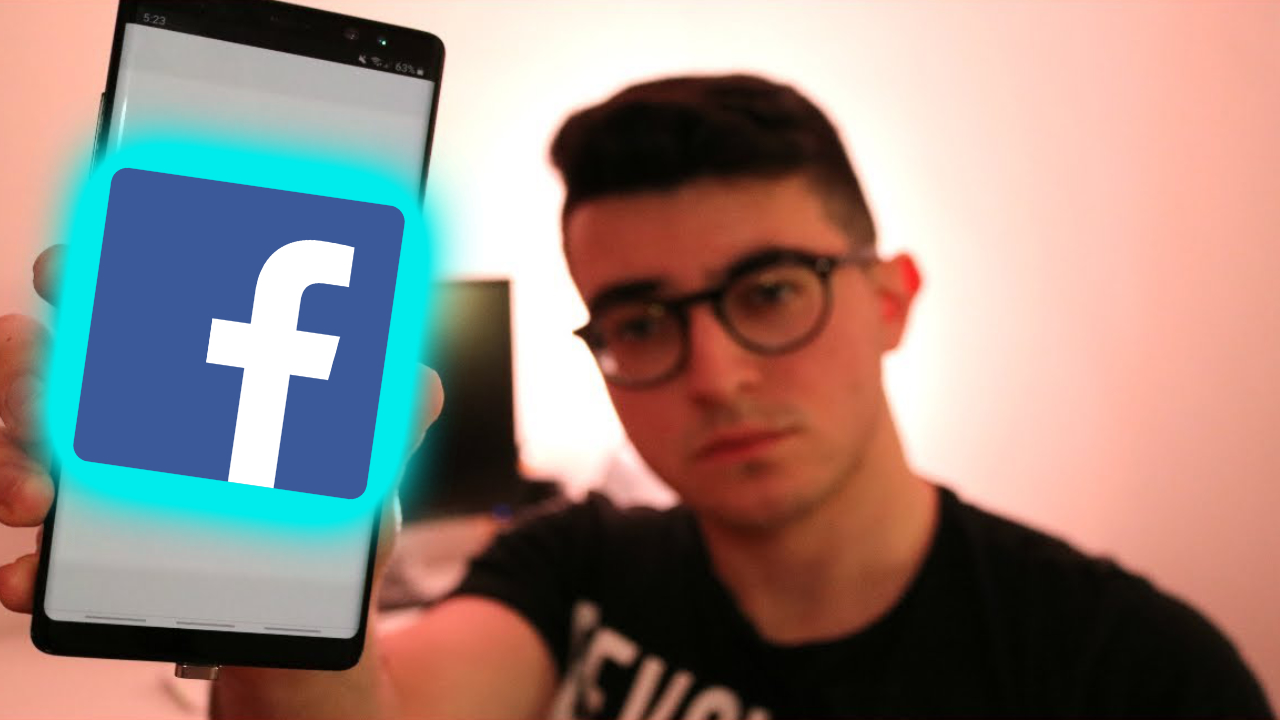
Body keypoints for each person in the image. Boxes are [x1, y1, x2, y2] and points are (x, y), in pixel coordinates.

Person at [0, 74, 1272, 719]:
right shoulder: (577, 563)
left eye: (769, 291)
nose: (714, 375)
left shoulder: (1132, 676)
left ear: (889, 298)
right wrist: (285, 562)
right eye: (642, 321)